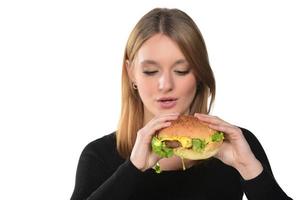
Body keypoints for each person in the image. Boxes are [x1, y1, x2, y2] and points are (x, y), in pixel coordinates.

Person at [70, 8, 292, 200]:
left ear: (199, 74)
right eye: (150, 71)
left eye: (181, 70)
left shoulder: (237, 144)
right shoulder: (99, 156)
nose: (165, 84)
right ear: (131, 74)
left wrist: (249, 169)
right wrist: (132, 169)